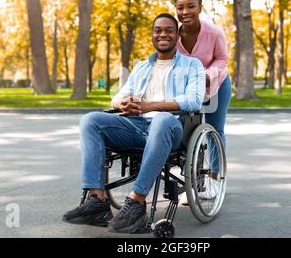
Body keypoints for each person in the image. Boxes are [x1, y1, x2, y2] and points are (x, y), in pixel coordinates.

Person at [62, 13, 205, 234]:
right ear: (152, 35)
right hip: (136, 125)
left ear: (177, 35)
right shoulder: (141, 67)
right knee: (90, 120)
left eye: (168, 30)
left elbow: (194, 100)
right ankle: (97, 202)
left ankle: (136, 201)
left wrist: (152, 106)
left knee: (162, 119)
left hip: (172, 126)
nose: (163, 34)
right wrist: (124, 103)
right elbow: (118, 96)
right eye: (158, 30)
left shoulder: (192, 65)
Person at [174, 0, 231, 199]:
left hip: (216, 85)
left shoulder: (213, 32)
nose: (185, 12)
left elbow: (222, 59)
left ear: (200, 7)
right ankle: (192, 179)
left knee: (215, 131)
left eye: (190, 6)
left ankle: (215, 178)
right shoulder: (174, 34)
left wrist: (206, 76)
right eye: (180, 7)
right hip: (187, 90)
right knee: (186, 131)